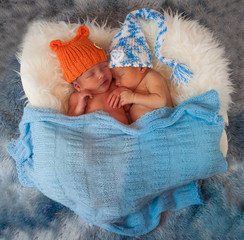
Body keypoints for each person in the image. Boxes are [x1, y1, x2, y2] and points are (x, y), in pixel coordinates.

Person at [50, 26, 128, 125]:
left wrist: (122, 92)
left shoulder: (115, 85)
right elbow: (70, 122)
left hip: (122, 132)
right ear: (78, 86)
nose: (101, 74)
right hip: (94, 136)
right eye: (91, 74)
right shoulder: (77, 97)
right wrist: (80, 107)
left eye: (104, 67)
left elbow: (129, 106)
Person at [107, 66, 173, 123]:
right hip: (144, 130)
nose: (116, 83)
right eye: (114, 79)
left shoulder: (150, 76)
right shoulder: (134, 88)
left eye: (120, 76)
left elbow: (160, 101)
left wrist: (133, 97)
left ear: (141, 68)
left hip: (162, 122)